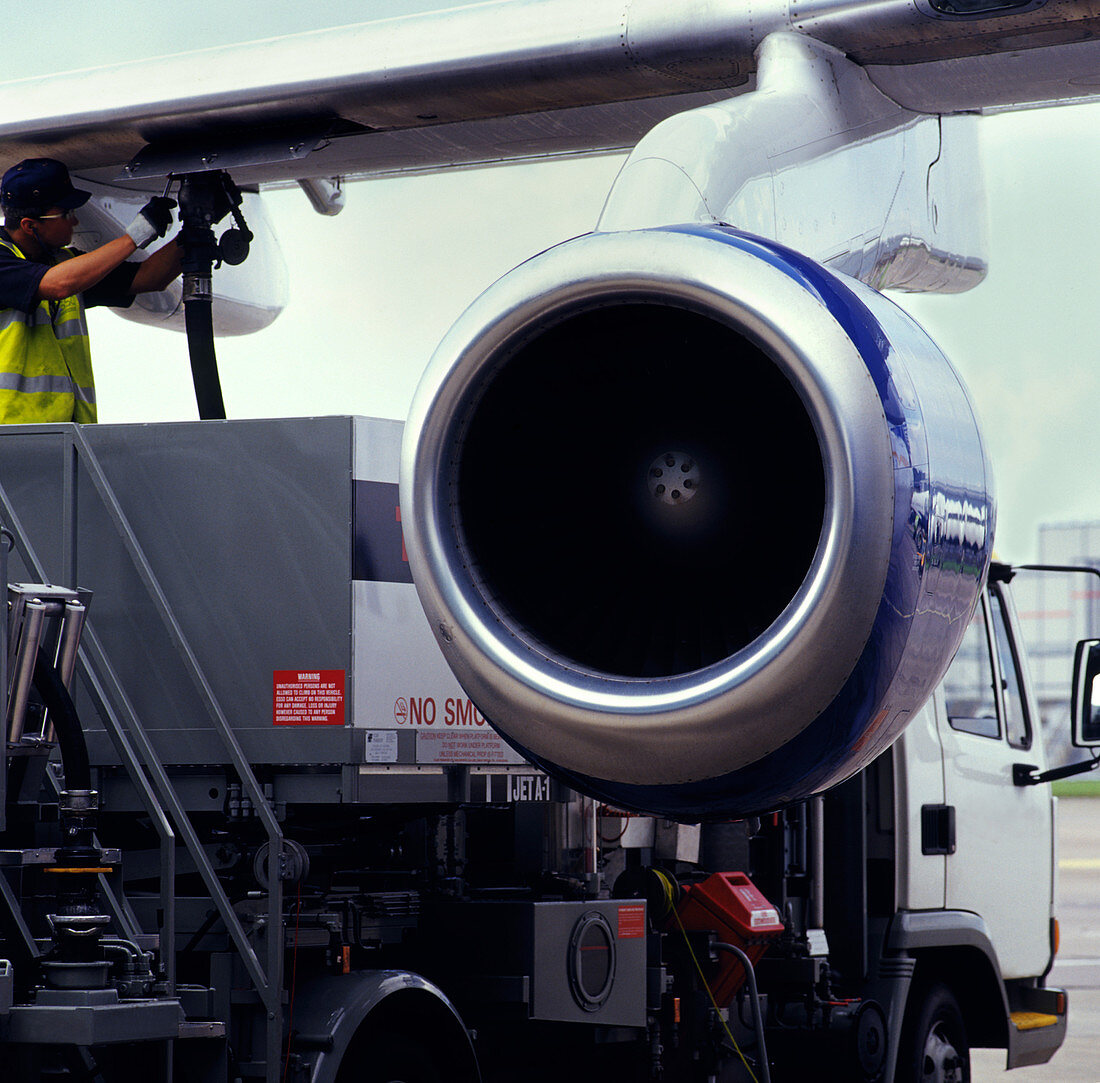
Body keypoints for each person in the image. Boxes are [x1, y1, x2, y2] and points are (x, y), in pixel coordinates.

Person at [0, 157, 180, 423]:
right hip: (11, 439)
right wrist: (135, 236)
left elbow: (148, 277)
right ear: (29, 225)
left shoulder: (64, 264)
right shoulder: (13, 263)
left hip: (64, 437)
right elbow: (56, 285)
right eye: (67, 214)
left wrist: (195, 229)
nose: (74, 223)